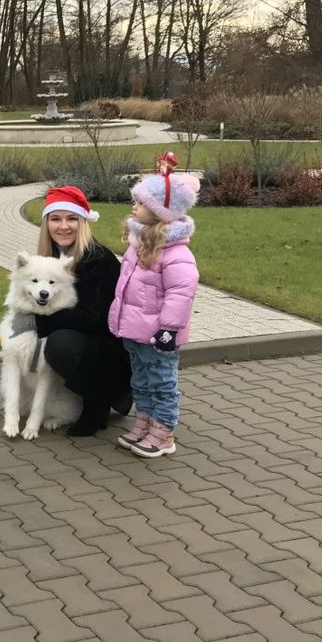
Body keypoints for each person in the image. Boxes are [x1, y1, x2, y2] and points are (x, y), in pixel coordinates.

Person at [109, 155, 201, 458]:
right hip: (135, 331)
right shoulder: (138, 244)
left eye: (141, 203)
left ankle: (163, 434)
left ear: (161, 211)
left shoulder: (175, 253)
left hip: (159, 335)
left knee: (162, 382)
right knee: (141, 381)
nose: (134, 207)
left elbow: (181, 292)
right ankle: (144, 423)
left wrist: (169, 329)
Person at [34, 186, 133, 437]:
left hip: (112, 348)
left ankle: (100, 400)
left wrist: (42, 318)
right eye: (55, 219)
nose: (63, 226)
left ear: (83, 222)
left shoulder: (97, 259)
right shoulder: (51, 257)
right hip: (86, 340)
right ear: (46, 224)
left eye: (72, 219)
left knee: (58, 344)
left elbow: (94, 319)